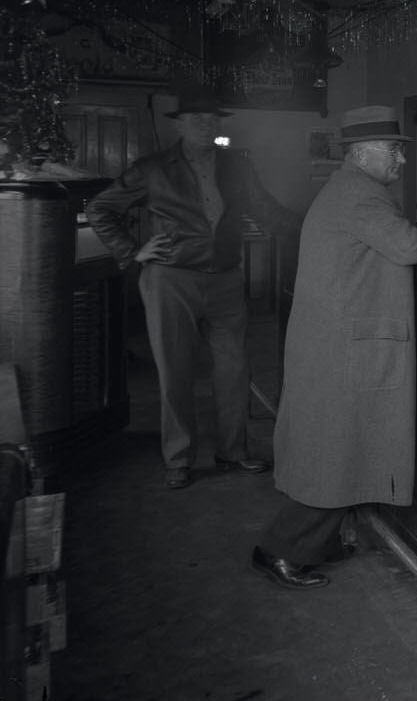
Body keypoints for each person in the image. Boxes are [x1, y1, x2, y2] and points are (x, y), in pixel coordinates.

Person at [250, 105, 417, 590]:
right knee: (335, 453)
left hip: (334, 341)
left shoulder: (351, 190)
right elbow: (410, 247)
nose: (401, 161)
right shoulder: (360, 196)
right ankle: (279, 551)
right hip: (341, 347)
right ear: (363, 154)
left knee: (337, 450)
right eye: (394, 151)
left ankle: (316, 544)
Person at [86, 84, 300, 490]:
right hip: (171, 278)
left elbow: (267, 210)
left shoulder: (237, 165)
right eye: (197, 118)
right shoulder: (152, 168)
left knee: (234, 369)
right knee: (175, 370)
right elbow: (100, 208)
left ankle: (233, 451)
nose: (206, 124)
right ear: (180, 124)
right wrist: (133, 251)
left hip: (225, 278)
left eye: (212, 118)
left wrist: (315, 230)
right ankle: (178, 458)